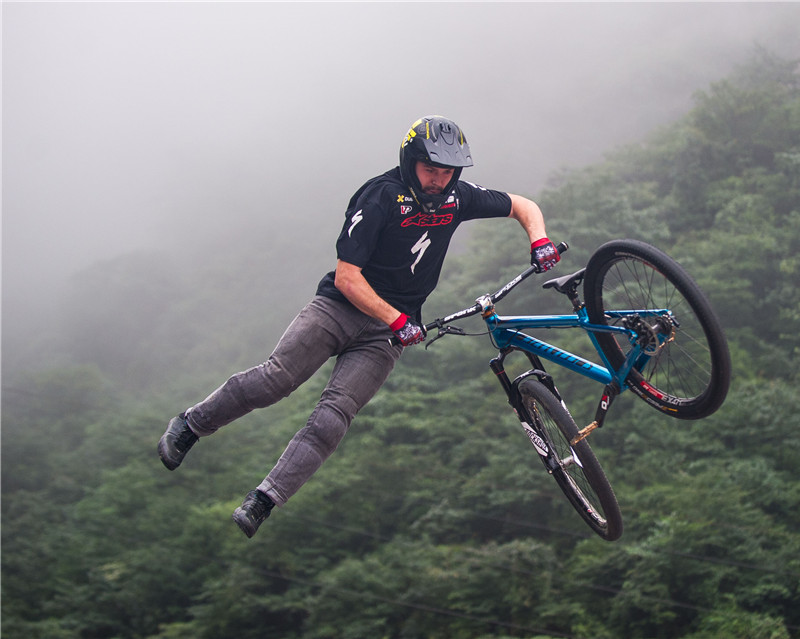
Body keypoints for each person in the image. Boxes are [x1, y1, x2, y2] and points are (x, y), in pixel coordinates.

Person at [158, 115, 561, 538]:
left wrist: (539, 239)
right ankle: (191, 424)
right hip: (340, 309)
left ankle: (264, 500)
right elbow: (347, 277)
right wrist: (398, 319)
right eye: (430, 170)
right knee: (276, 380)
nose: (438, 181)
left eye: (447, 172)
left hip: (387, 334)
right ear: (409, 161)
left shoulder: (457, 198)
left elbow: (522, 205)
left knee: (334, 415)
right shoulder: (380, 196)